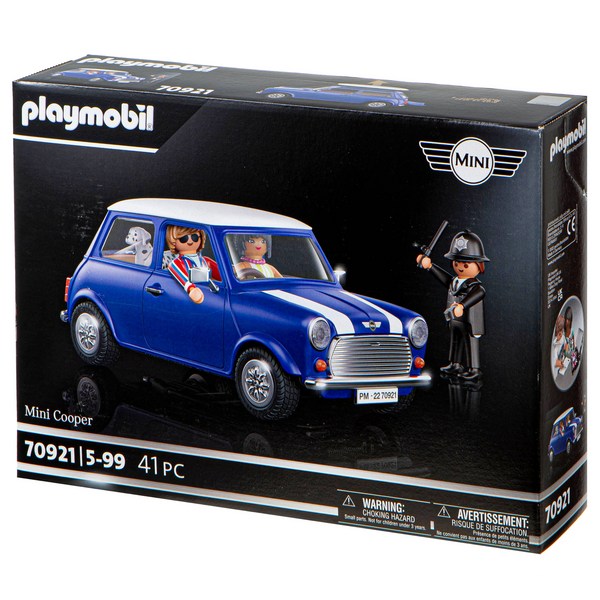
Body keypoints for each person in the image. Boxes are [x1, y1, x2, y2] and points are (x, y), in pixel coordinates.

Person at [417, 230, 489, 382]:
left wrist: (462, 306)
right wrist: (430, 266)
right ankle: (455, 364)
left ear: (479, 265)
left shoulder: (475, 286)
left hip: (470, 321)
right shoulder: (455, 281)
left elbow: (479, 293)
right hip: (455, 319)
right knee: (455, 340)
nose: (460, 267)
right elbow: (444, 278)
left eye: (466, 264)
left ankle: (474, 369)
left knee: (470, 343)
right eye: (457, 263)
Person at [165, 225, 220, 304]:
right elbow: (180, 275)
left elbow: (221, 273)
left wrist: (235, 270)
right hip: (195, 291)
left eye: (194, 237)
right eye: (183, 239)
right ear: (173, 241)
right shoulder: (176, 263)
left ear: (201, 238)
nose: (190, 241)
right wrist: (191, 289)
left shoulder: (204, 260)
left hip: (208, 290)